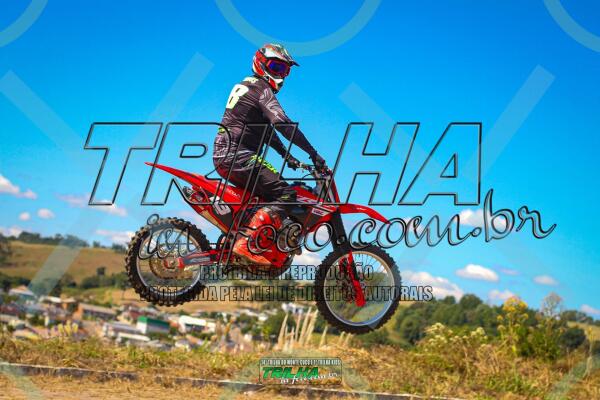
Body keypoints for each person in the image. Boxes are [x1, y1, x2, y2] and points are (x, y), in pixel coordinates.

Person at [213, 43, 326, 265]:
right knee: (287, 194)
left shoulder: (247, 86)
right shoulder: (261, 89)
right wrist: (313, 154)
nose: (280, 74)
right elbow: (282, 123)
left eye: (285, 70)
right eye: (276, 67)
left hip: (225, 155)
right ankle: (247, 243)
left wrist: (286, 155)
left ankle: (240, 236)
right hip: (239, 156)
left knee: (265, 196)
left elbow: (265, 130)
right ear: (260, 63)